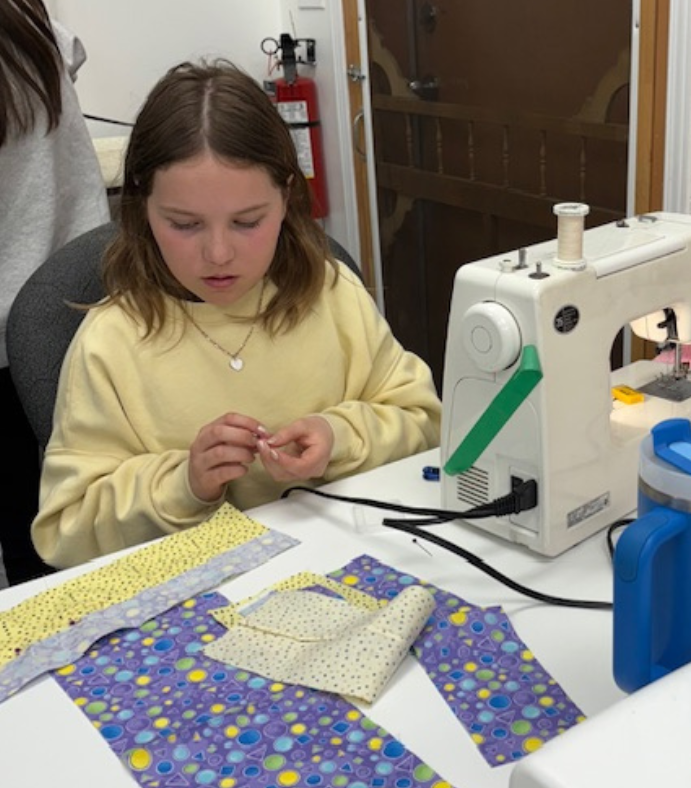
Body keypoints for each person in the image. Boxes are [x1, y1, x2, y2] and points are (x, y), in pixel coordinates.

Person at [31, 59, 442, 570]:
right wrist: (183, 483)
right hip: (197, 597)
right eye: (185, 224)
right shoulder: (110, 343)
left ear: (286, 196)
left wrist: (339, 437)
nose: (219, 254)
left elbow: (425, 422)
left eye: (247, 222)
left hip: (343, 568)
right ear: (142, 206)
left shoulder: (332, 294)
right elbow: (65, 530)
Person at [0, 0, 110, 584]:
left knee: (32, 527)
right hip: (79, 289)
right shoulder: (28, 20)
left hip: (19, 319)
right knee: (43, 517)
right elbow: (74, 53)